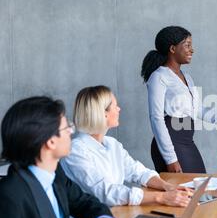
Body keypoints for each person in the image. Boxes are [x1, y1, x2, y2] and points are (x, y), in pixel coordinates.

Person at [0, 96, 129, 218]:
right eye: (67, 127)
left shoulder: (55, 174)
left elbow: (83, 203)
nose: (70, 132)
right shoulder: (10, 195)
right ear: (51, 141)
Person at [60, 86, 193, 207]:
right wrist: (161, 197)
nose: (119, 109)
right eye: (115, 106)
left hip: (115, 213)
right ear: (103, 113)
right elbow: (105, 192)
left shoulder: (112, 144)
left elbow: (138, 172)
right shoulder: (76, 150)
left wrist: (168, 187)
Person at [142, 26, 217, 173]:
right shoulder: (159, 77)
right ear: (172, 48)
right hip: (170, 144)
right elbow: (156, 118)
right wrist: (170, 158)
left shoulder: (187, 78)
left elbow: (197, 110)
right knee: (185, 192)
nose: (192, 50)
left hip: (186, 141)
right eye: (187, 45)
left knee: (199, 187)